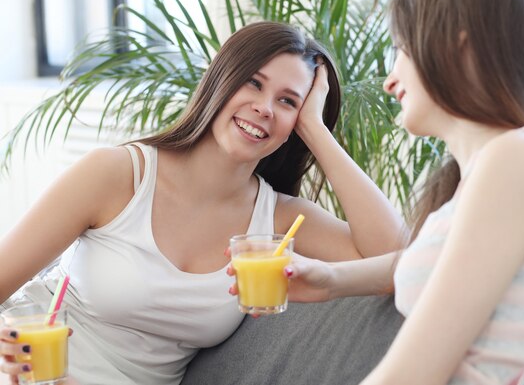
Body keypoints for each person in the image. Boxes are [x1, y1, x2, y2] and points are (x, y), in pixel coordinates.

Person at [0, 21, 404, 385]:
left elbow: (396, 257)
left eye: (288, 101)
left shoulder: (279, 218)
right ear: (221, 82)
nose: (264, 108)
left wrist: (316, 130)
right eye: (253, 83)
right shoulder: (117, 174)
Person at [276, 0, 524, 384]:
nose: (389, 81)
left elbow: (412, 374)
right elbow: (440, 261)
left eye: (401, 49)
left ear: (460, 45)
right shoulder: (500, 168)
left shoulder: (518, 161)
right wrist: (330, 279)